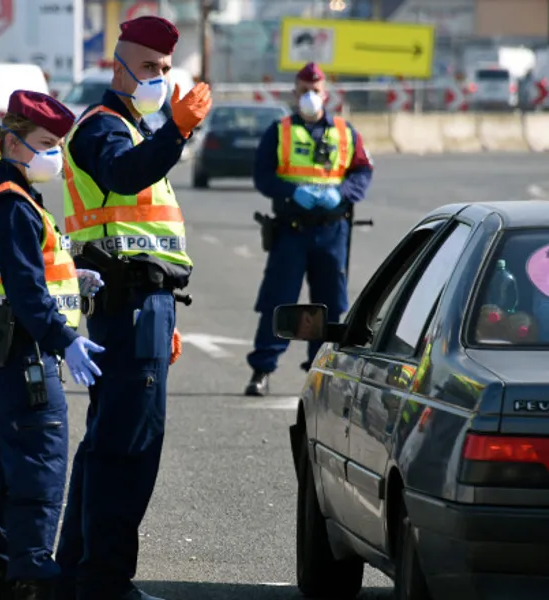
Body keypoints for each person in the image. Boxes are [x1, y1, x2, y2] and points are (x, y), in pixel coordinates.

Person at [57, 15, 212, 600]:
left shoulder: (135, 132)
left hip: (145, 304)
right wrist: (176, 131)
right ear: (117, 67)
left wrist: (164, 309)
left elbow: (151, 236)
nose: (159, 79)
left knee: (107, 444)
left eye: (166, 70)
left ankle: (76, 571)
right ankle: (104, 580)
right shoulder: (104, 129)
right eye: (149, 68)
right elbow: (124, 178)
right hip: (128, 305)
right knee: (130, 447)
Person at [0, 89, 105, 600]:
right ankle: (32, 575)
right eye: (47, 143)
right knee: (41, 463)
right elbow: (24, 291)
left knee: (7, 464)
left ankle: (0, 569)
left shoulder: (11, 196)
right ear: (14, 143)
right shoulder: (11, 203)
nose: (56, 155)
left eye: (59, 144)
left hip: (5, 352)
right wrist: (67, 341)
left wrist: (72, 277)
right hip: (22, 355)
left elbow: (26, 274)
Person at [244, 62, 374, 396]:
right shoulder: (280, 130)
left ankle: (321, 372)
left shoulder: (346, 132)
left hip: (332, 230)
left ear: (325, 93)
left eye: (315, 91)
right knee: (278, 298)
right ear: (295, 92)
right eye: (304, 90)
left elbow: (361, 172)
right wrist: (291, 192)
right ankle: (262, 370)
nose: (310, 97)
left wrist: (341, 194)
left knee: (329, 304)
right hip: (291, 230)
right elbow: (263, 176)